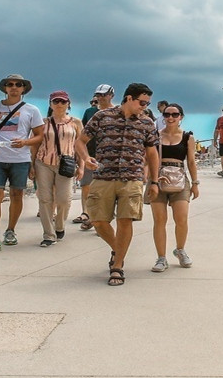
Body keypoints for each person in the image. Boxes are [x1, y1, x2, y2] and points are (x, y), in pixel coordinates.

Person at [76, 82, 159, 287]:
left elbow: (152, 153)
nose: (144, 106)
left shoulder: (147, 123)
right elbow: (80, 141)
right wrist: (85, 158)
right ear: (129, 98)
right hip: (103, 176)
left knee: (125, 221)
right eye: (142, 102)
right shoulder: (102, 116)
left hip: (132, 179)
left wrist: (154, 181)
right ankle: (117, 248)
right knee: (97, 220)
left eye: (147, 103)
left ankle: (118, 266)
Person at [0, 74, 45, 251]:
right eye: (10, 84)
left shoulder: (32, 110)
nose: (14, 87)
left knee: (16, 195)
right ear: (5, 88)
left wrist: (25, 142)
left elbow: (39, 135)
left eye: (18, 84)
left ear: (23, 89)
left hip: (20, 159)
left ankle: (10, 230)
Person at [149, 103, 200, 272]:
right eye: (167, 114)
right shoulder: (155, 135)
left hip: (179, 179)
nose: (170, 118)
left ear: (181, 117)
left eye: (174, 114)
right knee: (160, 220)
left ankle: (180, 249)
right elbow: (146, 159)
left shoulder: (187, 137)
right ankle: (161, 257)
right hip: (158, 179)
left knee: (181, 218)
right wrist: (149, 179)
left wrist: (195, 183)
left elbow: (191, 161)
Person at [29, 90, 81, 248]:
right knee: (45, 199)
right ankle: (48, 234)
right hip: (43, 162)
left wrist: (82, 165)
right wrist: (31, 165)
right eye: (56, 101)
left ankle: (59, 226)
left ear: (68, 104)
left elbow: (80, 145)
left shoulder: (75, 123)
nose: (59, 104)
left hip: (66, 163)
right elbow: (34, 145)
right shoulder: (42, 123)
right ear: (50, 104)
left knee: (64, 199)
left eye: (63, 101)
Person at [72, 84, 113, 230]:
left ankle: (102, 219)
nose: (101, 97)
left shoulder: (118, 112)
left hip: (109, 157)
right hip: (90, 154)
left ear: (111, 95)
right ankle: (87, 213)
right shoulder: (90, 112)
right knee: (86, 186)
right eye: (98, 95)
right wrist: (81, 156)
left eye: (104, 94)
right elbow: (82, 134)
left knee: (105, 190)